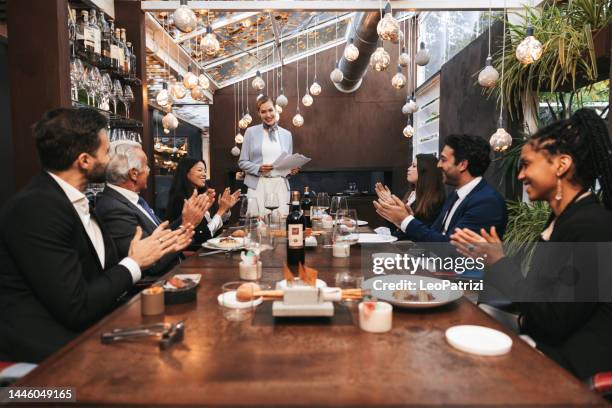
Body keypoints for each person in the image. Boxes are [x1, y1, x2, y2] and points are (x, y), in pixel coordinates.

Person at [0, 108, 194, 363]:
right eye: (106, 152)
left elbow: (104, 276)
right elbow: (76, 308)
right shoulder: (36, 208)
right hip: (50, 357)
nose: (111, 159)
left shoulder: (75, 201)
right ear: (84, 161)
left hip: (96, 329)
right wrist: (135, 262)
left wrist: (151, 250)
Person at [451, 109, 612, 380]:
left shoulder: (592, 227)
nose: (520, 175)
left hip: (568, 367)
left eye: (527, 164)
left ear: (561, 165)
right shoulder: (565, 218)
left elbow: (553, 320)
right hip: (544, 342)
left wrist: (500, 261)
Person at [96, 142, 212, 276]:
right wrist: (187, 225)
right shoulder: (113, 208)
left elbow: (163, 233)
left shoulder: (133, 199)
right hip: (158, 284)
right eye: (146, 165)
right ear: (134, 173)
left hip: (176, 269)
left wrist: (187, 217)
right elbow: (151, 264)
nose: (149, 170)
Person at [374, 134, 507, 242]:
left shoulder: (486, 202)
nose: (438, 165)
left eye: (443, 159)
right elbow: (432, 235)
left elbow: (450, 249)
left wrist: (406, 220)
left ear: (462, 164)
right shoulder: (455, 196)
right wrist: (405, 218)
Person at [238, 95, 299, 217]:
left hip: (280, 186)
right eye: (263, 111)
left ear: (276, 109)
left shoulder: (287, 135)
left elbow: (288, 165)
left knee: (281, 224)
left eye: (270, 110)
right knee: (257, 225)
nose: (268, 115)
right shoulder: (250, 132)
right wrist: (258, 168)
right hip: (258, 185)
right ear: (258, 113)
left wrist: (291, 171)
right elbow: (242, 162)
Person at [166, 158, 240, 243]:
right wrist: (221, 211)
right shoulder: (181, 198)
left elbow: (212, 228)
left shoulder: (201, 196)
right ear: (186, 172)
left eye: (205, 171)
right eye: (199, 170)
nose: (204, 174)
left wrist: (225, 209)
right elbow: (203, 236)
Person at [377, 153, 445, 229]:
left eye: (414, 166)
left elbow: (421, 233)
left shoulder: (434, 200)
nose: (409, 168)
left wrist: (395, 209)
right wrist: (389, 207)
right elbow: (395, 230)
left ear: (425, 171)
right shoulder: (411, 193)